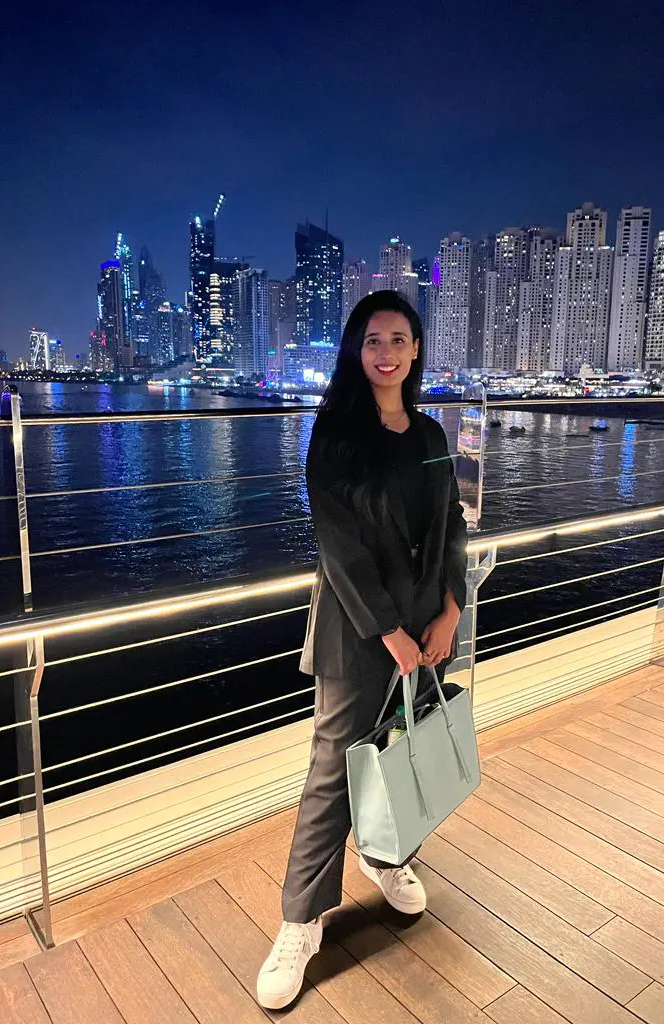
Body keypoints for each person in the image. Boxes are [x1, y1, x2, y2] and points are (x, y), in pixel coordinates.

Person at [256, 291, 467, 1010]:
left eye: (399, 339)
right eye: (373, 339)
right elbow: (338, 550)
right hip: (359, 629)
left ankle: (386, 856)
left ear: (414, 350)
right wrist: (390, 629)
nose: (386, 351)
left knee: (401, 754)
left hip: (426, 626)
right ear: (357, 349)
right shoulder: (335, 433)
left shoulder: (433, 435)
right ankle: (299, 920)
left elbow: (453, 531)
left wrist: (451, 608)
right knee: (332, 772)